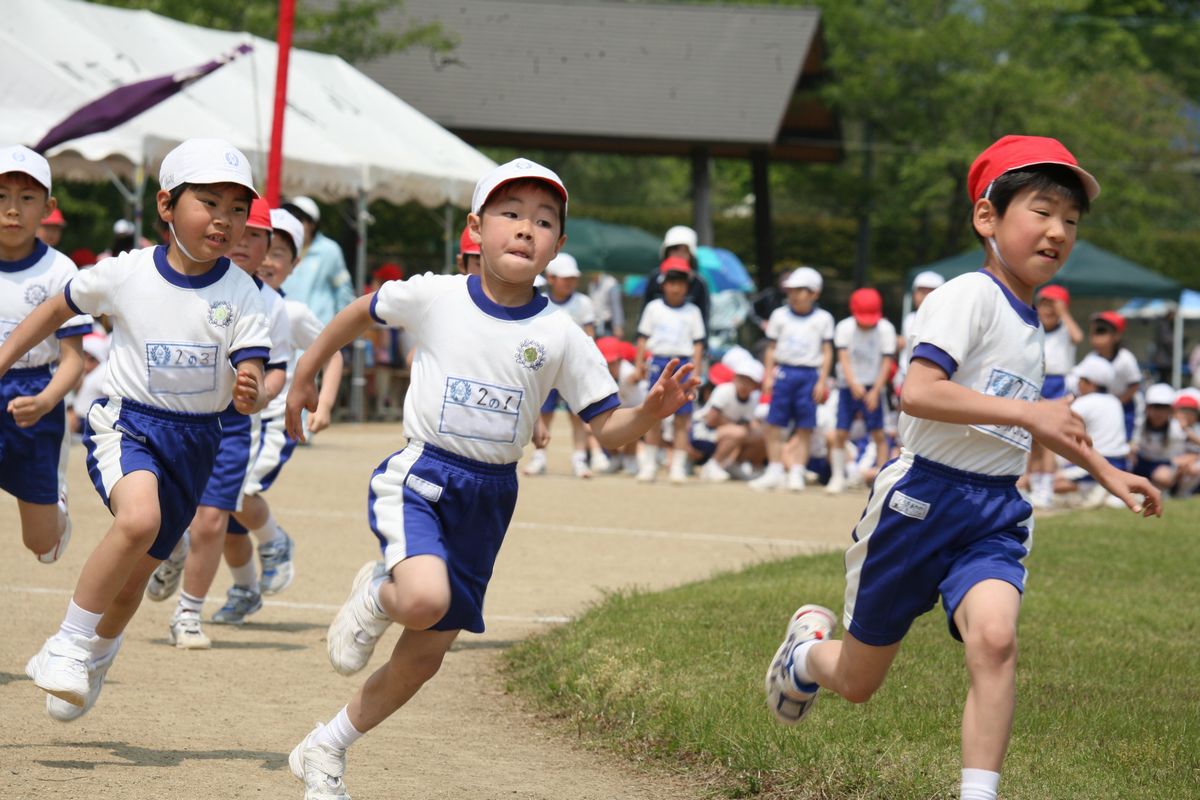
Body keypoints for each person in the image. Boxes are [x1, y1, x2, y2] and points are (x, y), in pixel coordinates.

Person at [283, 157, 698, 799]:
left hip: (491, 496)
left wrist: (648, 412)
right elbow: (359, 313)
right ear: (476, 229)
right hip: (423, 474)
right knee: (422, 599)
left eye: (544, 220)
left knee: (423, 657)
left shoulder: (560, 334)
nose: (527, 229)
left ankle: (325, 746)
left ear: (558, 245)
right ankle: (377, 591)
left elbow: (605, 426)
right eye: (511, 214)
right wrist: (308, 371)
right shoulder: (436, 296)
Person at [763, 135, 1161, 800]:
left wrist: (1108, 473)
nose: (1058, 230)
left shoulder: (1035, 323)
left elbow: (1039, 418)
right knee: (859, 683)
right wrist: (1029, 417)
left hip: (994, 511)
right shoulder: (966, 295)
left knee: (997, 640)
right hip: (919, 501)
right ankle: (805, 654)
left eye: (1070, 219)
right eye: (1041, 211)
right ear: (988, 217)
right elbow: (918, 392)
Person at [4, 138, 270, 721]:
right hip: (128, 423)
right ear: (167, 206)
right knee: (140, 519)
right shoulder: (125, 274)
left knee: (137, 576)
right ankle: (67, 643)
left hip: (198, 440)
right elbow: (54, 310)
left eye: (236, 208)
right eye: (208, 202)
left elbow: (251, 369)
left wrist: (249, 386)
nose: (224, 219)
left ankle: (96, 655)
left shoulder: (244, 292)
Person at [140, 198, 290, 646]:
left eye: (257, 235)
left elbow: (278, 365)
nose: (244, 242)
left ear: (269, 247)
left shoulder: (269, 303)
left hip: (229, 425)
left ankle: (188, 613)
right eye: (241, 232)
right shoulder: (183, 282)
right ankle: (172, 547)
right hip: (172, 415)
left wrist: (261, 391)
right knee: (161, 511)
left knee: (211, 521)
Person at [0, 145, 90, 563]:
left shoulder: (60, 271)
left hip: (34, 396)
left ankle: (56, 503)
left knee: (40, 545)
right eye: (1, 196)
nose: (12, 210)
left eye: (26, 198)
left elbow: (73, 358)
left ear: (48, 208)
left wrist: (46, 402)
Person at [750, 267, 834, 492]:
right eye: (791, 290)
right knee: (775, 423)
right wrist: (768, 375)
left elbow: (827, 352)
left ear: (814, 293)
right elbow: (771, 348)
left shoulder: (823, 319)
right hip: (784, 373)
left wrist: (821, 380)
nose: (794, 295)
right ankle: (774, 470)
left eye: (800, 290)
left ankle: (797, 470)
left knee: (805, 426)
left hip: (808, 374)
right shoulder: (779, 315)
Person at [525, 252, 600, 478]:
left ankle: (579, 459)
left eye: (573, 278)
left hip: (574, 369)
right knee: (544, 413)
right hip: (546, 367)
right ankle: (539, 457)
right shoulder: (540, 301)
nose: (570, 282)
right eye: (565, 278)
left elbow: (589, 336)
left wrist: (590, 365)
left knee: (578, 416)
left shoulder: (584, 303)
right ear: (551, 277)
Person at [635, 256, 706, 483]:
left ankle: (678, 466)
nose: (676, 287)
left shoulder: (693, 311)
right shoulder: (653, 308)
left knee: (682, 419)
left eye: (681, 283)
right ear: (663, 284)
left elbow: (698, 342)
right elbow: (643, 338)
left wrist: (696, 371)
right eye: (672, 282)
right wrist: (639, 365)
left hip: (683, 364)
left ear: (687, 286)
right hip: (658, 364)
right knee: (653, 415)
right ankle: (649, 464)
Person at [828, 287, 896, 494]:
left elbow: (887, 360)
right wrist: (853, 383)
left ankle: (880, 481)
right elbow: (843, 358)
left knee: (878, 432)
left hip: (874, 386)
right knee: (840, 431)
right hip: (847, 386)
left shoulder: (886, 329)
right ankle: (837, 476)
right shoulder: (845, 327)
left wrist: (876, 390)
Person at [1027, 284, 1083, 507]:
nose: (1048, 310)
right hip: (1035, 380)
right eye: (1044, 304)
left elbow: (1078, 336)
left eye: (1053, 306)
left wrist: (1063, 311)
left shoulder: (1064, 330)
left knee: (1049, 437)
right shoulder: (1034, 326)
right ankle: (1033, 482)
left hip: (1056, 383)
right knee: (1030, 437)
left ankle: (1046, 487)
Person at [1053, 354, 1130, 508]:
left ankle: (1092, 489)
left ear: (1090, 383)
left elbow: (1056, 426)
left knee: (1051, 484)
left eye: (1081, 380)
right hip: (1120, 463)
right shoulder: (1115, 401)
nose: (1078, 384)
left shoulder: (1084, 402)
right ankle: (1104, 490)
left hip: (1097, 463)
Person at [281, 196, 355, 325]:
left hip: (319, 331)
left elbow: (343, 292)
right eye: (289, 217)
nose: (292, 223)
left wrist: (341, 328)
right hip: (284, 328)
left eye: (299, 218)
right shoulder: (279, 248)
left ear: (312, 224)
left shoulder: (330, 250)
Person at [694, 358, 765, 482]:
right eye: (742, 379)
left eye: (749, 381)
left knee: (761, 434)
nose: (744, 384)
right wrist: (736, 426)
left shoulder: (753, 400)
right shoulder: (724, 390)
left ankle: (735, 465)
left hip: (724, 433)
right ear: (735, 378)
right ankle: (712, 465)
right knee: (739, 432)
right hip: (701, 433)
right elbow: (711, 420)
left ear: (755, 385)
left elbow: (746, 424)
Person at [1086, 310, 1141, 441]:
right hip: (1099, 407)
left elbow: (1134, 385)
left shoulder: (1125, 358)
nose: (1096, 336)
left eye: (1101, 332)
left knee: (1122, 441)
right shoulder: (1091, 358)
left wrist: (1117, 402)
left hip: (1123, 406)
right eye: (1094, 332)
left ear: (1116, 336)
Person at [641, 225, 709, 327]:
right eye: (675, 249)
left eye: (684, 251)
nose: (679, 255)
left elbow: (703, 321)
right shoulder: (655, 278)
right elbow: (644, 313)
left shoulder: (698, 283)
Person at [1130, 382, 1185, 493]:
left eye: (1163, 408)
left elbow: (1179, 457)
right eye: (1155, 407)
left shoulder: (1176, 429)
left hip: (1162, 465)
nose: (1158, 412)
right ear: (1147, 408)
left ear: (1170, 410)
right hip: (1141, 462)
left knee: (1163, 476)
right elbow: (1133, 444)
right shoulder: (1139, 424)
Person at [895, 270, 944, 390]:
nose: (925, 296)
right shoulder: (909, 318)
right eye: (922, 291)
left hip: (931, 380)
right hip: (905, 375)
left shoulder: (944, 320)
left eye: (931, 291)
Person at [588, 269, 624, 338]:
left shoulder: (611, 283)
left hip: (608, 326)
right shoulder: (591, 284)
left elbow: (616, 306)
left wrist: (618, 326)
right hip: (595, 324)